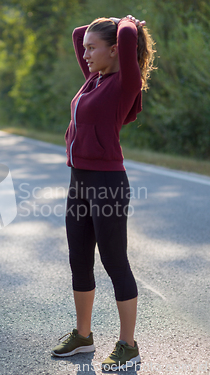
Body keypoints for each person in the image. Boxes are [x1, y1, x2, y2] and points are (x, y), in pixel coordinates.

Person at [51, 15, 156, 370]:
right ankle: (84, 336)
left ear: (115, 51)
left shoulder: (126, 82)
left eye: (93, 49)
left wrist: (125, 23)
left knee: (114, 262)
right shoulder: (94, 81)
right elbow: (77, 32)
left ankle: (128, 344)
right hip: (78, 181)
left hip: (107, 184)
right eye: (86, 51)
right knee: (79, 260)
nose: (86, 54)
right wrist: (98, 32)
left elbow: (127, 37)